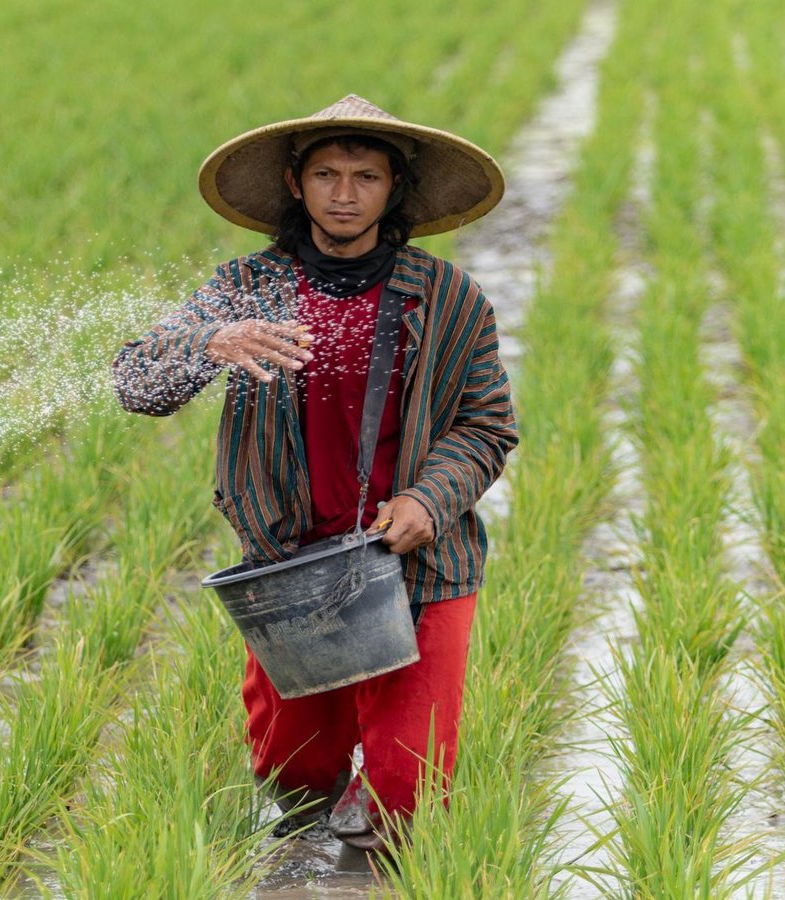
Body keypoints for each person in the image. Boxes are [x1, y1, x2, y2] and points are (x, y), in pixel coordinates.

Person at [112, 94, 517, 852]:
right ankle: (323, 813)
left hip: (415, 559)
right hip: (291, 567)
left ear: (393, 188)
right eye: (326, 174)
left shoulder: (448, 298)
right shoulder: (244, 292)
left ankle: (384, 819)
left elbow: (487, 424)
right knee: (295, 774)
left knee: (408, 796)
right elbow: (137, 384)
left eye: (365, 176)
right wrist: (209, 343)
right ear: (296, 185)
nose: (343, 193)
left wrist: (430, 500)